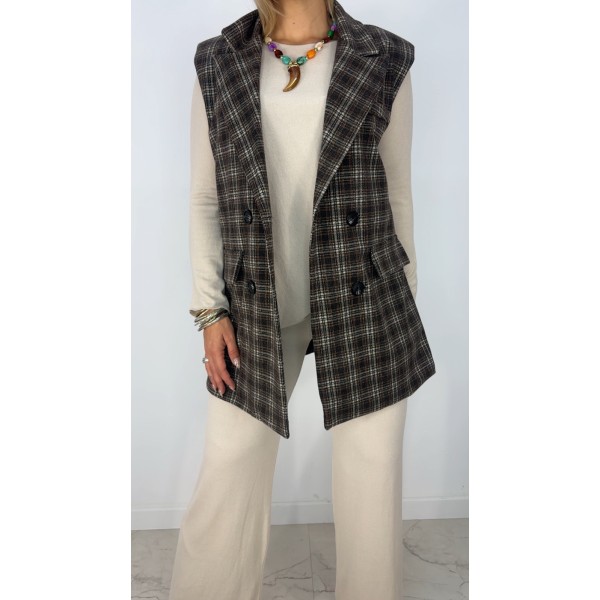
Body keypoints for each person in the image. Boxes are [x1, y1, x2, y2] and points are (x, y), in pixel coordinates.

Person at [168, 0, 436, 598]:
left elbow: (398, 195)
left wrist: (403, 307)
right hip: (257, 305)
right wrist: (209, 308)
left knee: (371, 488)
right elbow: (205, 197)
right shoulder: (219, 60)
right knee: (230, 464)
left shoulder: (384, 57)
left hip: (366, 300)